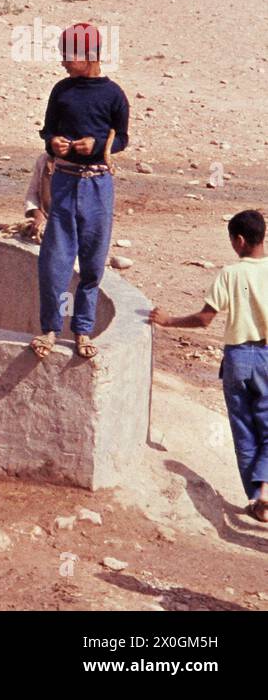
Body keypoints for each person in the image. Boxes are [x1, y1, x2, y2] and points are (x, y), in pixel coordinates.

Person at [151, 210, 268, 522]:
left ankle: (258, 498)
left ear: (239, 241)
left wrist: (169, 321)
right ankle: (266, 489)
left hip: (238, 359)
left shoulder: (230, 274)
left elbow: (205, 319)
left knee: (244, 431)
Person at [31, 22, 129, 361]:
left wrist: (98, 145)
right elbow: (47, 132)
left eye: (68, 56)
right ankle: (49, 328)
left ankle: (83, 329)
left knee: (92, 261)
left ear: (89, 56)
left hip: (98, 185)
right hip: (65, 180)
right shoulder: (61, 91)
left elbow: (123, 139)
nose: (62, 62)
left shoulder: (114, 94)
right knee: (54, 260)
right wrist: (54, 143)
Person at [22, 151, 52, 242]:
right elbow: (32, 194)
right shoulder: (43, 159)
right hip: (46, 220)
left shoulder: (81, 167)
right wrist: (38, 215)